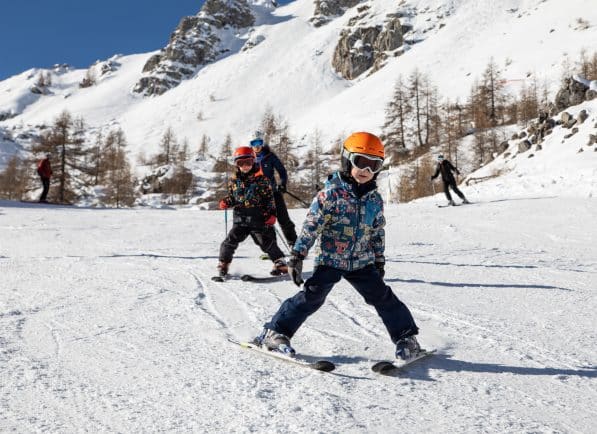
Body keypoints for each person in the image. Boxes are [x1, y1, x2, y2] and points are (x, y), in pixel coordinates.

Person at [254, 132, 423, 361]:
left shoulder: (375, 199)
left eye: (374, 165)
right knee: (312, 297)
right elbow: (311, 225)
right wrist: (297, 254)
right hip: (331, 259)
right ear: (346, 159)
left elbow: (377, 231)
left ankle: (406, 338)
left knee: (383, 297)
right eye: (361, 162)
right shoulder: (330, 194)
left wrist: (379, 259)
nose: (366, 170)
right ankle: (275, 332)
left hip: (362, 261)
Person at [217, 146, 288, 277]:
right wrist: (226, 201)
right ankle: (223, 263)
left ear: (254, 162)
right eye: (240, 163)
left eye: (248, 162)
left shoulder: (262, 180)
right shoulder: (234, 181)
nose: (245, 166)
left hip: (258, 218)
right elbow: (233, 197)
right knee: (229, 241)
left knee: (265, 241)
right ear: (236, 164)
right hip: (240, 219)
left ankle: (280, 262)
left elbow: (269, 199)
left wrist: (272, 214)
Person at [249, 131, 297, 247]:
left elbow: (282, 171)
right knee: (265, 223)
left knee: (283, 220)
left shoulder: (270, 156)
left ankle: (295, 245)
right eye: (254, 143)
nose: (256, 146)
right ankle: (271, 248)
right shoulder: (249, 159)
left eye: (259, 142)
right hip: (259, 196)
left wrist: (282, 183)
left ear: (262, 143)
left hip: (274, 193)